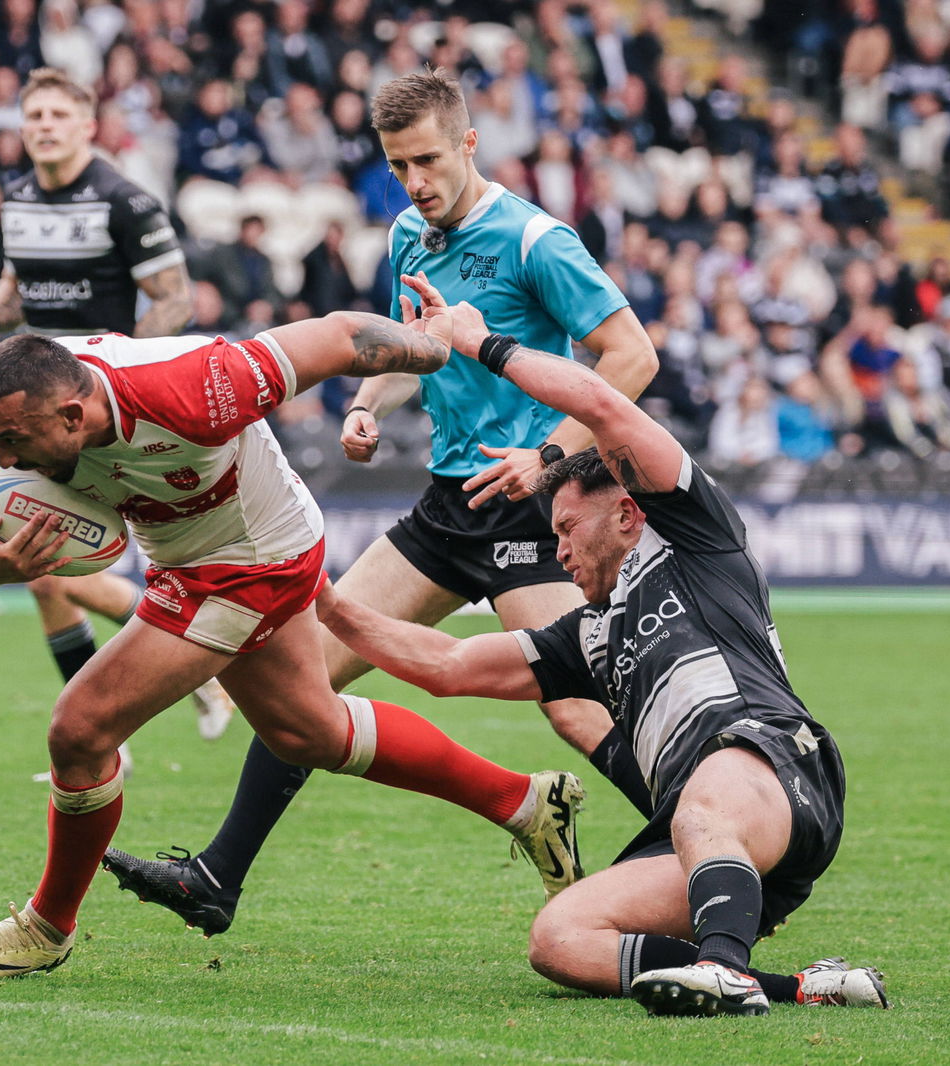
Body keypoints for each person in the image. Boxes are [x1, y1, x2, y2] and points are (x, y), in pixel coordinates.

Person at [102, 69, 659, 937]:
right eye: (399, 165)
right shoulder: (406, 233)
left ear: (470, 144)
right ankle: (217, 878)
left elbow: (631, 358)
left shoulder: (536, 240)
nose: (416, 182)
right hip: (447, 504)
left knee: (574, 702)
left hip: (535, 505)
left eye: (429, 160)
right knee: (306, 680)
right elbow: (415, 354)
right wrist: (365, 407)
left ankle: (712, 845)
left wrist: (547, 456)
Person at [0, 307, 584, 977]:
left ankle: (47, 928)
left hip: (255, 556)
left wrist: (433, 349)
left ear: (73, 416)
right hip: (192, 557)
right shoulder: (20, 411)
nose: (2, 458)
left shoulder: (192, 384)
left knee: (79, 728)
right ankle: (528, 805)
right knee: (310, 733)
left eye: (12, 440)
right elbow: (35, 542)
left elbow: (340, 337)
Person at [314, 283, 889, 1017]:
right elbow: (447, 666)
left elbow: (605, 404)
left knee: (701, 801)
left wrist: (480, 342)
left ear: (623, 513)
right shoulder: (583, 635)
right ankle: (802, 988)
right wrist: (329, 605)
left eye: (564, 529)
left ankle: (722, 968)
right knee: (560, 938)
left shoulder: (695, 537)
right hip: (707, 829)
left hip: (777, 768)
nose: (557, 551)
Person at [0, 67, 231, 741]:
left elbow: (175, 300)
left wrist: (116, 370)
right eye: (32, 115)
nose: (42, 125)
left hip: (86, 417)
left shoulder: (124, 201)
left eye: (55, 115)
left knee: (51, 567)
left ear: (87, 126)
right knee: (41, 571)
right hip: (25, 412)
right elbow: (18, 285)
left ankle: (164, 689)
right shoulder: (17, 202)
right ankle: (103, 734)